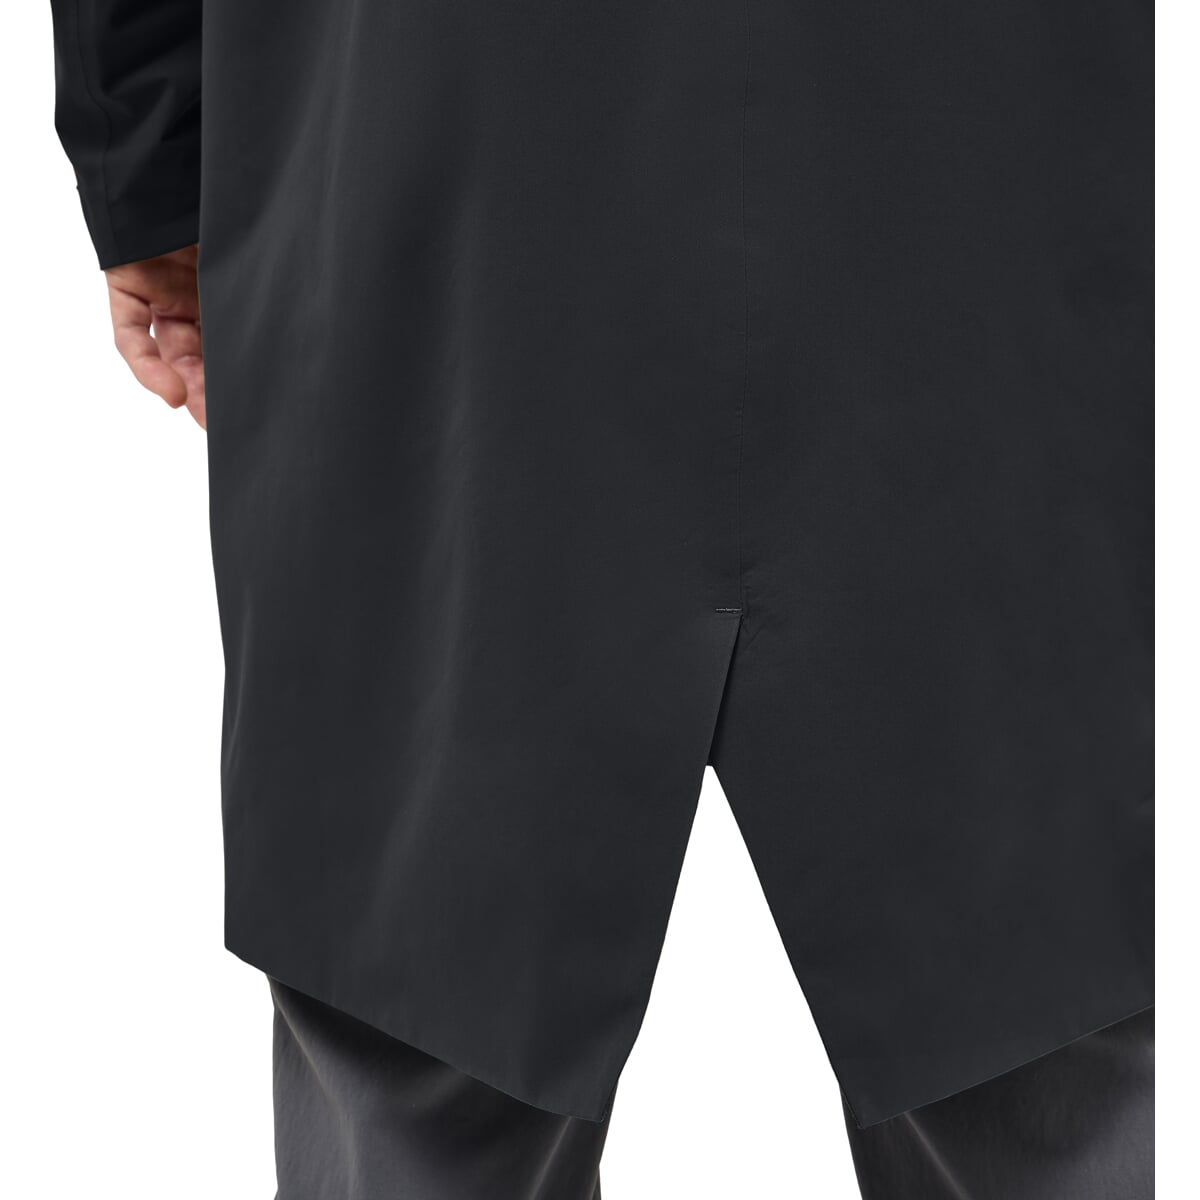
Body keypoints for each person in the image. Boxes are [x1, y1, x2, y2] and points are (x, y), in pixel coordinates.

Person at [48, 2, 1153, 1196]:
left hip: (430, 184)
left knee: (424, 1009)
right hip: (985, 186)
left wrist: (151, 159)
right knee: (1036, 1026)